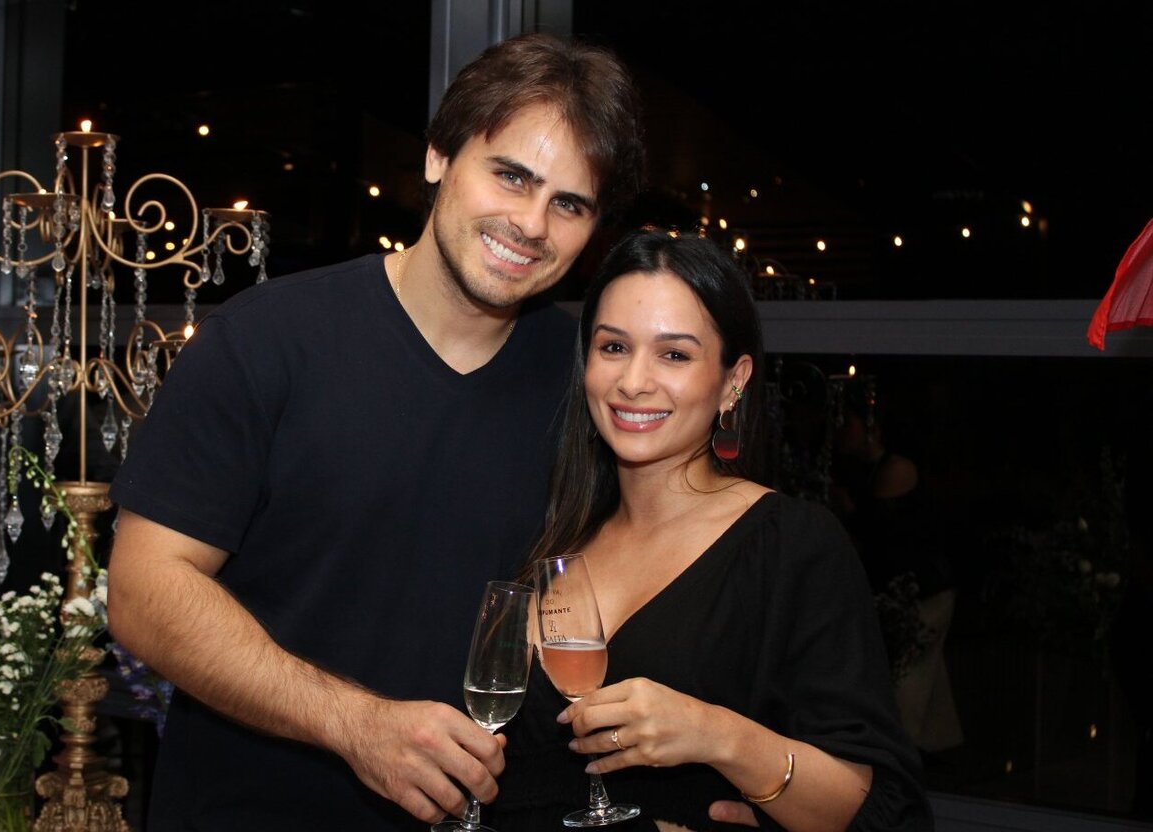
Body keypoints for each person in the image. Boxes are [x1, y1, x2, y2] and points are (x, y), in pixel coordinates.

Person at [107, 33, 647, 831]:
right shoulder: (268, 339)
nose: (531, 224)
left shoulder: (583, 382)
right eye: (511, 175)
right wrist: (356, 725)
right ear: (437, 157)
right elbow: (144, 592)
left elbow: (652, 562)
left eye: (569, 203)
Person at [489, 230, 931, 830]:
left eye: (674, 354)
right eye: (613, 346)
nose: (634, 381)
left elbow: (883, 808)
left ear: (733, 380)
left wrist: (718, 734)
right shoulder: (550, 536)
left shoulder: (789, 546)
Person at [831, 380, 963, 755]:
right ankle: (939, 758)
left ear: (870, 425)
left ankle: (901, 767)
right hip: (904, 592)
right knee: (928, 687)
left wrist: (848, 510)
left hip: (925, 592)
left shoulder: (896, 468)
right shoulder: (861, 470)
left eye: (850, 423)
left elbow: (882, 537)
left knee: (908, 686)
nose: (843, 432)